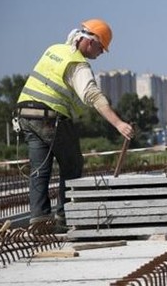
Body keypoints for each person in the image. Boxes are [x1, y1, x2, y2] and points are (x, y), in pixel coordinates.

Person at [15, 19, 134, 230]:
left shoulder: (54, 49)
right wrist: (118, 123)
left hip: (25, 114)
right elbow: (93, 96)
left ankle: (39, 220)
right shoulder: (77, 64)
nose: (101, 53)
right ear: (90, 42)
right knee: (72, 164)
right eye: (101, 48)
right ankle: (65, 217)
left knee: (39, 169)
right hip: (50, 117)